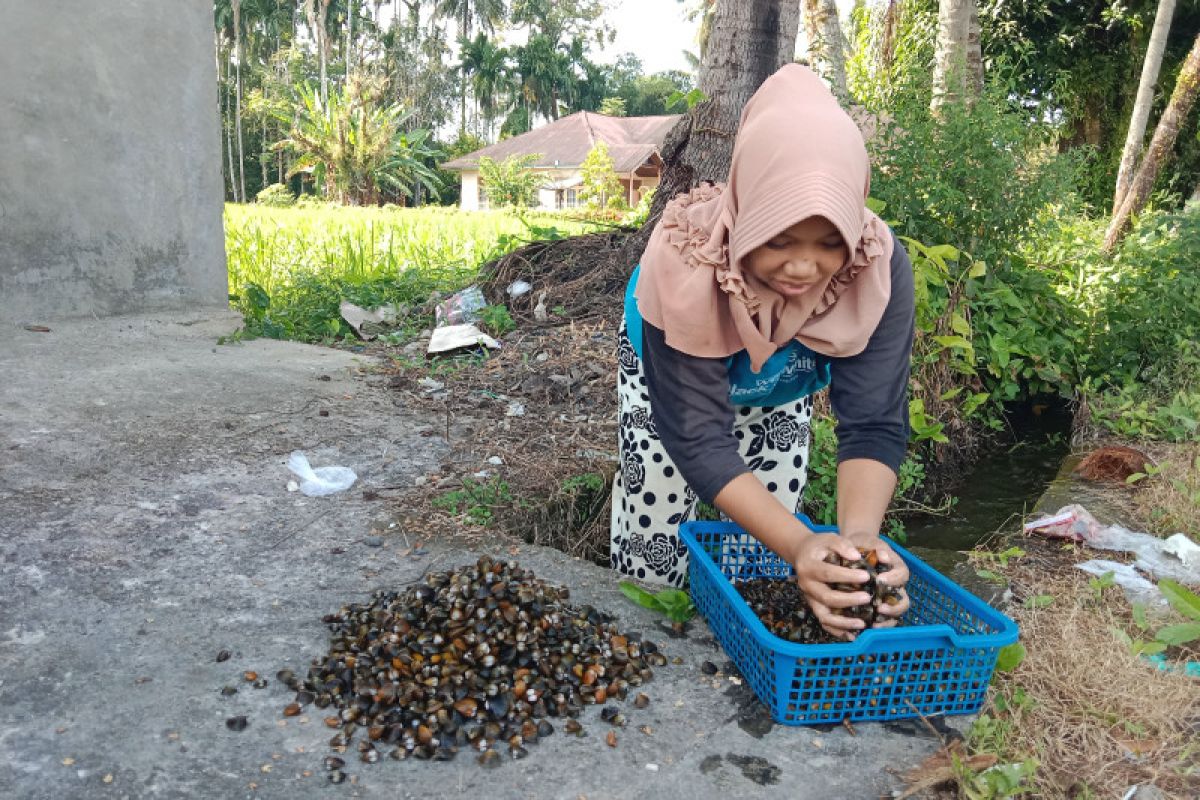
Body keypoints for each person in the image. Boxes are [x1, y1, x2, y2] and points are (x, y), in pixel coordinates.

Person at [609, 64, 914, 640]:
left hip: (780, 377)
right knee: (659, 501)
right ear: (748, 212)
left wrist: (857, 545)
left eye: (829, 244)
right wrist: (801, 540)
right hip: (672, 362)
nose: (803, 268)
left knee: (765, 526)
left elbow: (872, 422)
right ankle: (654, 632)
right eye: (778, 239)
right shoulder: (684, 262)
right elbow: (696, 434)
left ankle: (735, 635)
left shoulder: (874, 269)